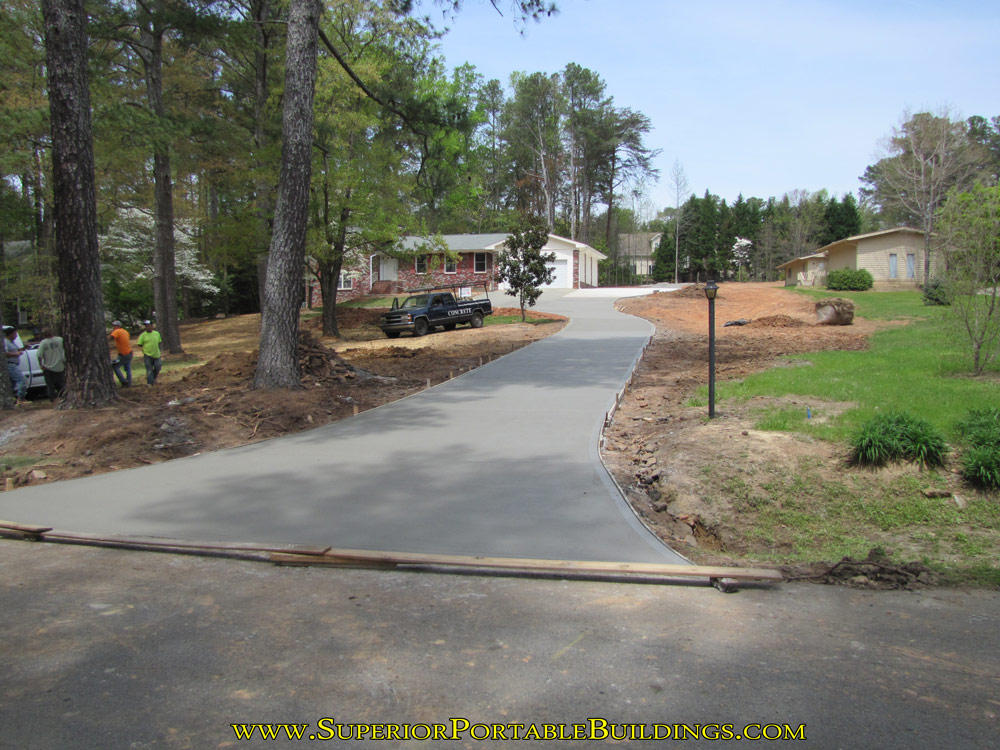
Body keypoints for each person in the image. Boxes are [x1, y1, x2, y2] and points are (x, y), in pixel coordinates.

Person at [36, 329, 66, 402]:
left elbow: (39, 355)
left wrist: (41, 365)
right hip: (60, 365)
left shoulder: (43, 343)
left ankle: (52, 399)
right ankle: (64, 397)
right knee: (62, 383)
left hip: (48, 367)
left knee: (50, 385)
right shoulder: (60, 339)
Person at [136, 320, 162, 385]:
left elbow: (159, 342)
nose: (147, 327)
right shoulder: (143, 335)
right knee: (149, 369)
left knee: (158, 367)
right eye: (146, 326)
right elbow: (139, 344)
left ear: (152, 326)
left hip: (157, 354)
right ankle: (150, 383)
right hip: (147, 355)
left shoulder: (156, 333)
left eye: (149, 326)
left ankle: (154, 378)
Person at [4, 326, 26, 403]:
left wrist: (23, 348)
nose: (16, 336)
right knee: (22, 381)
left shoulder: (11, 342)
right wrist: (16, 353)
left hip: (14, 364)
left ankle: (9, 399)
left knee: (11, 385)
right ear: (11, 334)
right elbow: (5, 353)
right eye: (15, 334)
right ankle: (21, 398)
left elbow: (16, 350)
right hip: (10, 365)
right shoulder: (5, 342)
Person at [108, 320, 133, 387]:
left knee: (115, 366)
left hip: (123, 354)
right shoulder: (125, 331)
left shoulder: (117, 331)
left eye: (114, 326)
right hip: (129, 352)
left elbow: (110, 338)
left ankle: (123, 381)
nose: (113, 327)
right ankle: (129, 383)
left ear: (118, 326)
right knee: (128, 368)